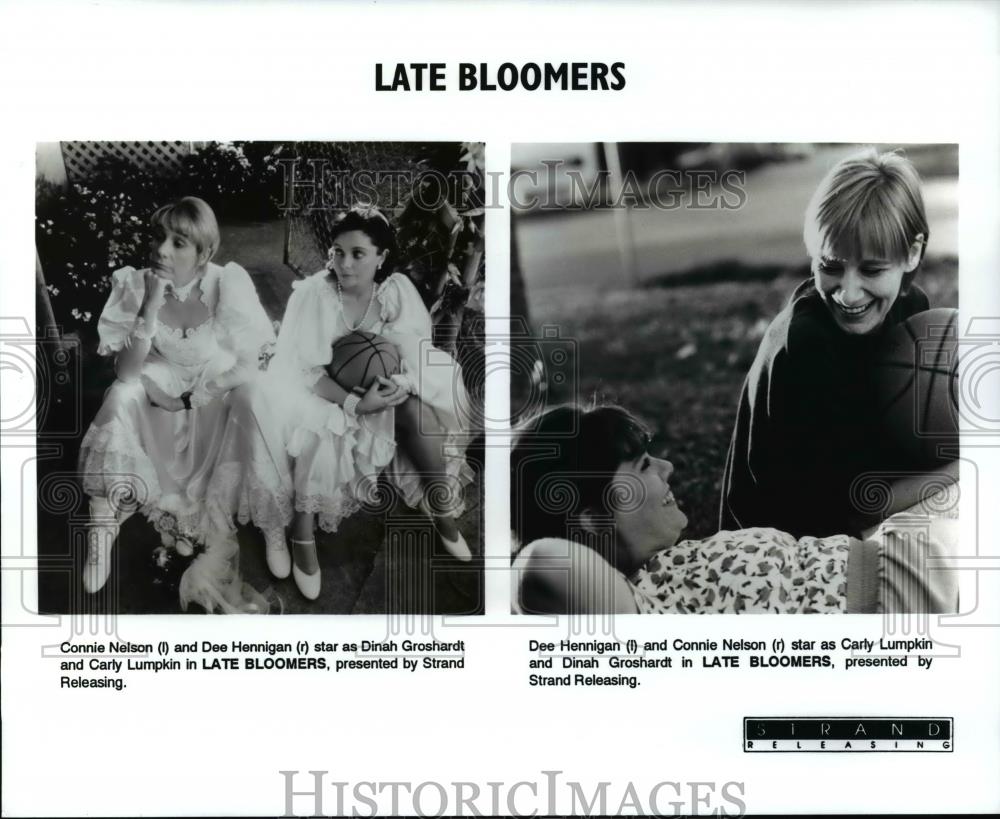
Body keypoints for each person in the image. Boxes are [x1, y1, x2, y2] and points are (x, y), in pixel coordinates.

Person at [207, 206, 474, 601]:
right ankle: (302, 534)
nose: (344, 264)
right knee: (321, 430)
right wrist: (353, 403)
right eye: (337, 252)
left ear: (381, 257)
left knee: (418, 412)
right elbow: (304, 373)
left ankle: (442, 512)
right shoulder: (316, 294)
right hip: (321, 391)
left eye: (358, 254)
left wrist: (398, 384)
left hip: (374, 388)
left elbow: (414, 349)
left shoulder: (395, 289)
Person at [511, 404, 958, 614]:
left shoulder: (669, 567)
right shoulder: (639, 612)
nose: (667, 468)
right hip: (909, 592)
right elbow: (540, 564)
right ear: (589, 515)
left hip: (902, 548)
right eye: (643, 465)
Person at [720, 147, 957, 539]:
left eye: (871, 269)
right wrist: (963, 465)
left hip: (858, 513)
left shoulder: (912, 312)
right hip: (788, 548)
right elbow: (853, 509)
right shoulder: (807, 345)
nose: (848, 294)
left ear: (912, 253)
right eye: (829, 267)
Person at [78, 196, 275, 612]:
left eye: (178, 243)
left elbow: (247, 357)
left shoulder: (226, 282)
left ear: (205, 253)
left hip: (210, 374)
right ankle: (104, 518)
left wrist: (200, 393)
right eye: (158, 237)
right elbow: (128, 373)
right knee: (120, 396)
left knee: (253, 398)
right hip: (157, 371)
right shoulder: (135, 282)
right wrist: (149, 306)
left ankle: (273, 518)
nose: (161, 249)